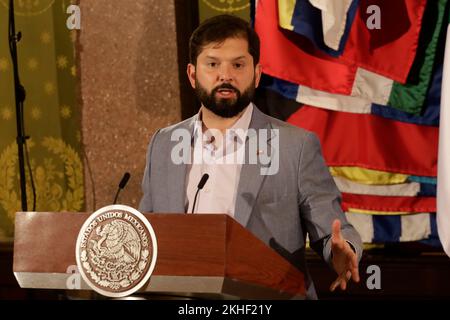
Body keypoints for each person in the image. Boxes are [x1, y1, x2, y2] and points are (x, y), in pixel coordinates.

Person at [139, 14, 362, 299]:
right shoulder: (164, 144)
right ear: (193, 75)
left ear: (256, 74)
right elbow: (147, 231)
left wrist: (342, 252)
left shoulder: (296, 146)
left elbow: (334, 229)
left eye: (238, 64)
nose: (226, 75)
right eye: (213, 64)